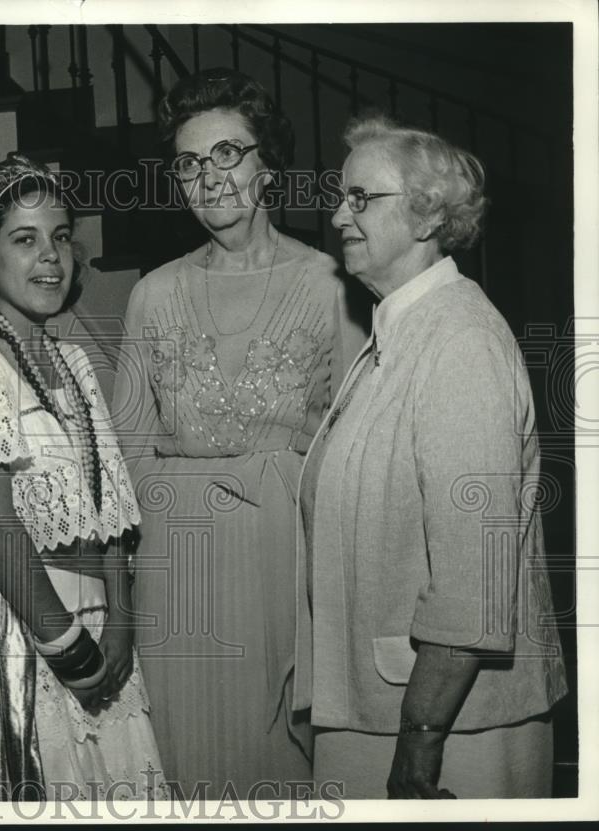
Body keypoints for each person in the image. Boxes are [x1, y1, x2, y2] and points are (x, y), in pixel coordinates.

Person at [109, 68, 366, 798]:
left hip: (288, 570)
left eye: (228, 153)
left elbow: (351, 448)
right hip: (178, 576)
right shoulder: (152, 293)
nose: (209, 176)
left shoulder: (331, 284)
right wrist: (189, 486)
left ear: (267, 163)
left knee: (282, 774)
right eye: (190, 162)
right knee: (188, 771)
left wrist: (272, 478)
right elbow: (127, 447)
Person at [295, 115, 568, 798]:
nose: (337, 216)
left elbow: (473, 578)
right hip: (384, 711)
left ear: (426, 216)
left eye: (361, 198)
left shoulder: (460, 342)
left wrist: (419, 742)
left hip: (447, 729)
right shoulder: (400, 333)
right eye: (340, 196)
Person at [0, 154, 168, 802]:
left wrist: (120, 620)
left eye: (61, 237)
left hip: (98, 627)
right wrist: (70, 647)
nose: (51, 256)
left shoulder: (74, 361)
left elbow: (112, 509)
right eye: (25, 239)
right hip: (27, 633)